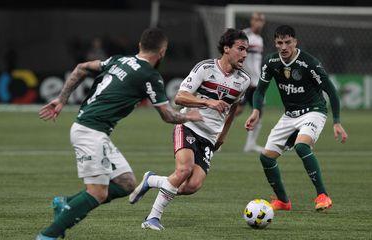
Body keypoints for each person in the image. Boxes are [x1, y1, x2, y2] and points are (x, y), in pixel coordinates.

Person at [35, 28, 202, 240]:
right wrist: (191, 116)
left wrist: (61, 99)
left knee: (127, 183)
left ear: (140, 46)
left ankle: (67, 203)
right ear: (162, 52)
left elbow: (80, 68)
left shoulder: (119, 60)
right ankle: (47, 236)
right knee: (97, 192)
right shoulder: (149, 75)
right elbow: (168, 116)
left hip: (92, 131)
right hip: (90, 132)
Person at [128, 28, 251, 230]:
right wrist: (208, 102)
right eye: (241, 49)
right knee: (183, 170)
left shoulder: (243, 80)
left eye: (247, 50)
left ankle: (152, 180)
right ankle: (152, 218)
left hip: (211, 137)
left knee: (192, 186)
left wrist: (223, 135)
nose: (245, 54)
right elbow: (180, 97)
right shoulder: (204, 68)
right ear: (227, 49)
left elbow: (232, 109)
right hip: (189, 125)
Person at [245, 25, 348, 211]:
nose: (283, 47)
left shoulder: (309, 63)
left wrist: (337, 121)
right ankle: (283, 201)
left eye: (287, 42)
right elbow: (259, 91)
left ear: (295, 42)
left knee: (301, 146)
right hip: (289, 115)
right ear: (275, 43)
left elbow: (331, 91)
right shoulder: (271, 62)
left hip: (314, 111)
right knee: (266, 158)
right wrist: (256, 111)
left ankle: (323, 195)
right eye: (279, 42)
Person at [235, 12, 266, 153]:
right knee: (235, 111)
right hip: (243, 82)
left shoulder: (260, 39)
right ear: (252, 21)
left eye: (261, 20)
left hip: (256, 82)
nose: (259, 22)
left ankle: (250, 144)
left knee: (258, 113)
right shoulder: (244, 36)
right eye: (256, 20)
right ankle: (215, 137)